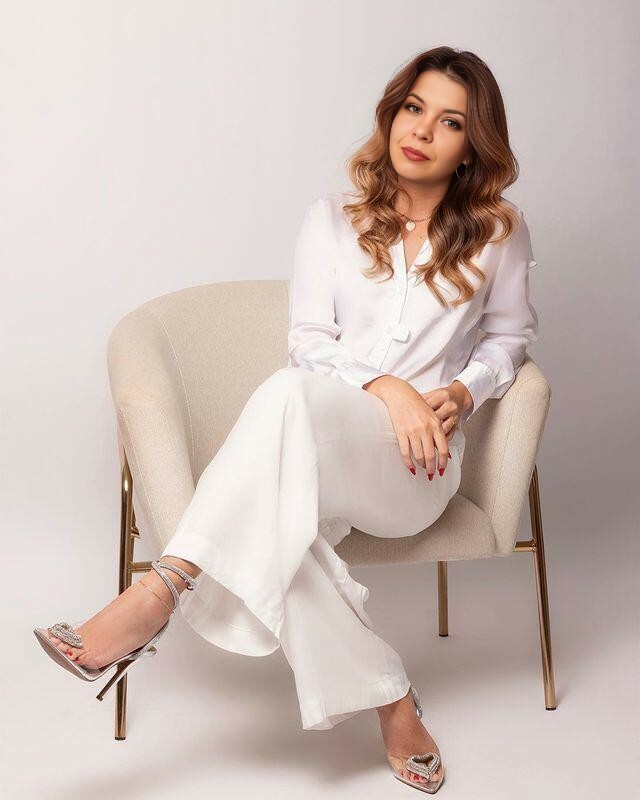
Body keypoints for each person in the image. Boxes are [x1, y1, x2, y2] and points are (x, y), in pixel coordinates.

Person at [34, 45, 539, 794]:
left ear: (473, 145)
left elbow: (510, 338)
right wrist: (388, 388)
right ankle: (394, 701)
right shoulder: (331, 220)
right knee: (283, 506)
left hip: (419, 467)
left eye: (450, 121)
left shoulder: (498, 230)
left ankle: (158, 592)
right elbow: (308, 344)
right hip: (326, 445)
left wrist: (461, 394)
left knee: (284, 402)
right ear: (392, 112)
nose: (422, 131)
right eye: (413, 108)